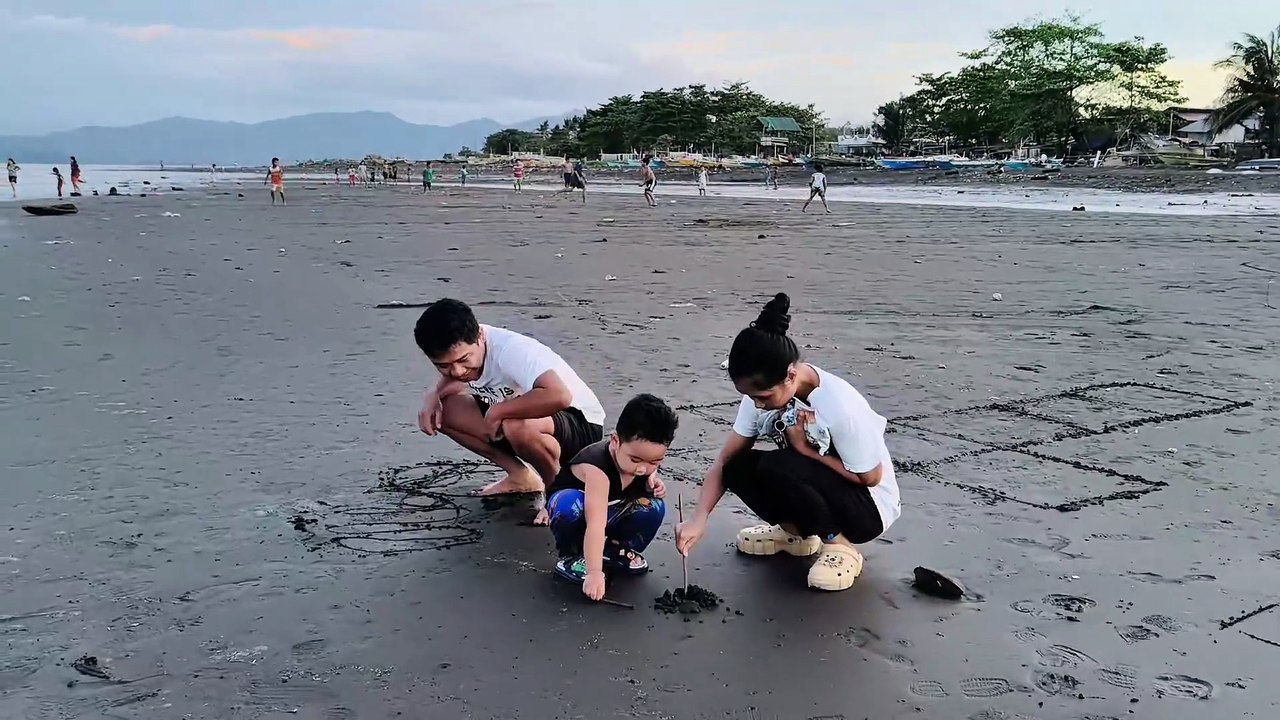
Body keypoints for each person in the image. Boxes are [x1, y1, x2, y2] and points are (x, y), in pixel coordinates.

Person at [675, 293, 901, 592]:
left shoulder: (839, 405)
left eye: (763, 397)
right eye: (751, 396)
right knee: (739, 467)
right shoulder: (760, 395)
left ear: (790, 375)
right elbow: (724, 461)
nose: (757, 405)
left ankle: (840, 546)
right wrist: (698, 518)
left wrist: (806, 451)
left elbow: (871, 477)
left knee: (781, 464)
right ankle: (796, 534)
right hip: (818, 485)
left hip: (868, 508)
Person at [414, 299, 606, 524]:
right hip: (526, 422)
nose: (457, 371)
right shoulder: (464, 358)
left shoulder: (512, 351)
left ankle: (557, 492)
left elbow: (559, 395)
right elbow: (455, 381)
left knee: (515, 423)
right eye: (443, 366)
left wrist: (498, 411)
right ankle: (521, 477)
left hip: (580, 425)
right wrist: (432, 396)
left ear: (480, 337)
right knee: (444, 412)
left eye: (464, 360)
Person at [545, 394, 678, 599]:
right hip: (582, 511)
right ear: (616, 441)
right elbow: (595, 523)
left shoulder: (642, 465)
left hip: (611, 510)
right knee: (568, 507)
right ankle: (573, 555)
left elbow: (646, 467)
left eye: (655, 461)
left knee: (653, 506)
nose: (642, 468)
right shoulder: (598, 468)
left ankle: (614, 549)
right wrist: (595, 574)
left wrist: (654, 478)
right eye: (635, 459)